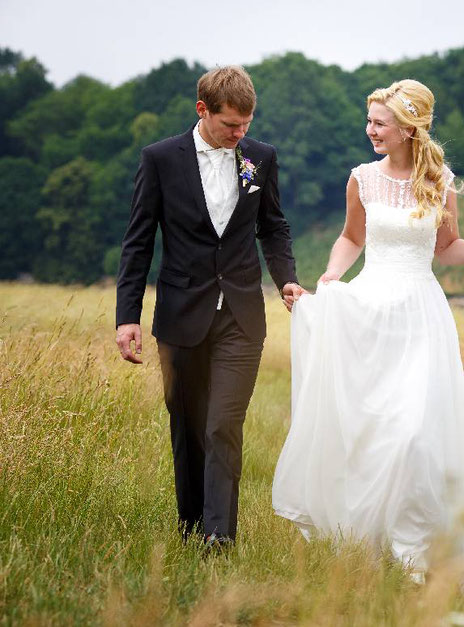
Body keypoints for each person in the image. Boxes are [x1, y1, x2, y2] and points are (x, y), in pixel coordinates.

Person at [272, 79, 464, 585]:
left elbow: (446, 248)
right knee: (374, 430)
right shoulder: (361, 178)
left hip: (420, 315)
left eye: (380, 123)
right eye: (369, 122)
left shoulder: (441, 181)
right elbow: (351, 236)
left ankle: (413, 546)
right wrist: (329, 280)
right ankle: (368, 541)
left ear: (409, 128)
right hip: (370, 309)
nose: (371, 131)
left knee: (414, 434)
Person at [115, 66, 305, 550]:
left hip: (242, 314)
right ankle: (190, 526)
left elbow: (274, 227)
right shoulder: (160, 159)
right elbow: (138, 242)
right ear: (202, 111)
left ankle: (219, 537)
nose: (240, 135)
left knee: (223, 423)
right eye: (230, 125)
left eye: (246, 124)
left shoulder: (260, 158)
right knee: (187, 427)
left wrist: (286, 280)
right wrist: (126, 317)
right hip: (180, 316)